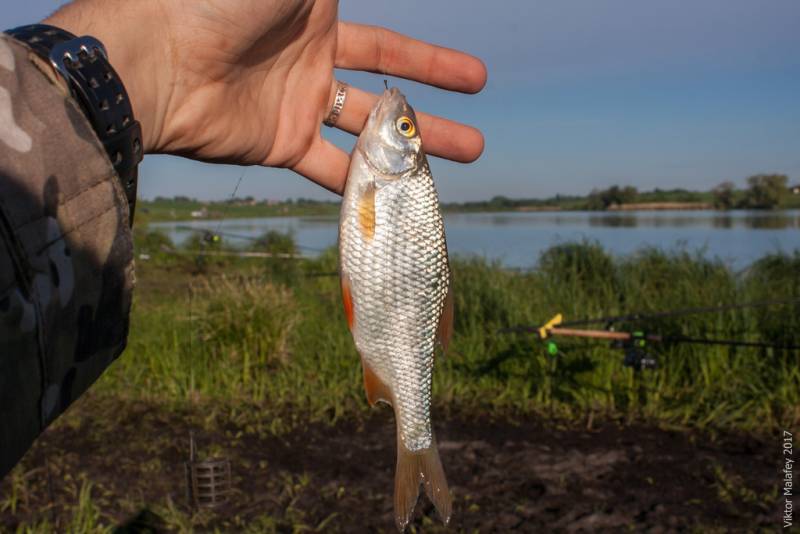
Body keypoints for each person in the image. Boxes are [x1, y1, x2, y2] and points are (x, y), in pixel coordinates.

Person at [0, 0, 486, 478]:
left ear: (406, 158)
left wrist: (145, 56)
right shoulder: (390, 178)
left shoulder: (399, 184)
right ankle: (415, 440)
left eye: (404, 128)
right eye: (407, 127)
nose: (400, 119)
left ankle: (415, 438)